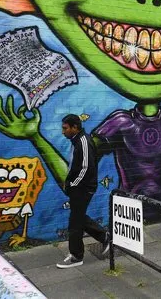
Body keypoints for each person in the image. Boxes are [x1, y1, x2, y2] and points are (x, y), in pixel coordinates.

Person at [57, 114, 110, 269]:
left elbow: (86, 168)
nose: (63, 132)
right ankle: (105, 236)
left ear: (75, 127)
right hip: (78, 188)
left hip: (82, 188)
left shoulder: (84, 142)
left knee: (74, 223)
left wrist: (73, 184)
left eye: (65, 128)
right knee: (78, 217)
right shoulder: (76, 141)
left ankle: (76, 256)